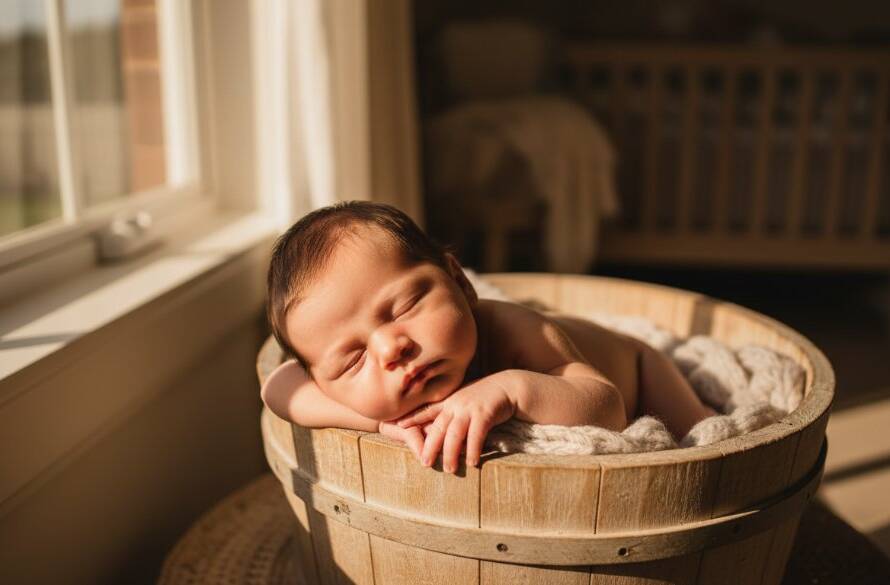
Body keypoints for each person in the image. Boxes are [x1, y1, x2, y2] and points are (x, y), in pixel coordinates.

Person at [262, 201, 715, 474]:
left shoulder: (513, 329)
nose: (390, 348)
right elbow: (278, 388)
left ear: (459, 281)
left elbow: (608, 407)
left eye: (403, 307)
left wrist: (509, 388)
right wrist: (376, 421)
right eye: (352, 359)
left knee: (706, 437)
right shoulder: (350, 384)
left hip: (634, 364)